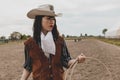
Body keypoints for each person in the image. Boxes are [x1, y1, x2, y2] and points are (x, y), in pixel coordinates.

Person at [20, 4, 86, 80]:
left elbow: (66, 61)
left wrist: (77, 60)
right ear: (39, 20)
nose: (52, 22)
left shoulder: (60, 40)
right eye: (48, 18)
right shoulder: (30, 43)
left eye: (53, 19)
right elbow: (28, 67)